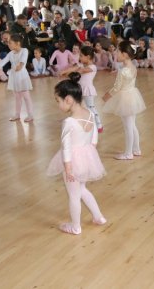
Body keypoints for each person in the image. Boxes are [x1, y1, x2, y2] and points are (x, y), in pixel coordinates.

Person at [46, 73, 107, 235]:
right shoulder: (90, 114)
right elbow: (94, 137)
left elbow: (66, 148)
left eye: (58, 101)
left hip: (72, 162)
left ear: (68, 100)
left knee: (73, 195)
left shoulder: (69, 122)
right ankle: (98, 217)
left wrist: (68, 169)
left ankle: (75, 226)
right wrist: (89, 152)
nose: (58, 105)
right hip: (87, 156)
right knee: (82, 190)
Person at [102, 41, 146, 160]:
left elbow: (117, 88)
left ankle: (128, 153)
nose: (116, 53)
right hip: (132, 96)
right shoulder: (132, 67)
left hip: (125, 99)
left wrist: (107, 96)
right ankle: (136, 149)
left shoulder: (123, 71)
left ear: (125, 54)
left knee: (128, 127)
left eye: (118, 51)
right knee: (132, 125)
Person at [60, 46, 103, 133]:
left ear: (88, 57)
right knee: (77, 106)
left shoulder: (92, 67)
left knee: (91, 108)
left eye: (81, 56)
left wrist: (68, 73)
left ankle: (99, 125)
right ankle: (78, 123)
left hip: (88, 91)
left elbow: (81, 71)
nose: (80, 58)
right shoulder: (81, 65)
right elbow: (73, 68)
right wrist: (63, 72)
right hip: (79, 90)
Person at [0, 34, 34, 122]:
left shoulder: (24, 50)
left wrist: (19, 66)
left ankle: (30, 115)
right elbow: (3, 61)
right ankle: (17, 114)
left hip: (22, 77)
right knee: (17, 97)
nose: (8, 44)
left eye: (10, 43)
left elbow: (22, 62)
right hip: (14, 77)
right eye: (8, 43)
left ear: (17, 43)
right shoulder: (10, 53)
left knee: (26, 97)